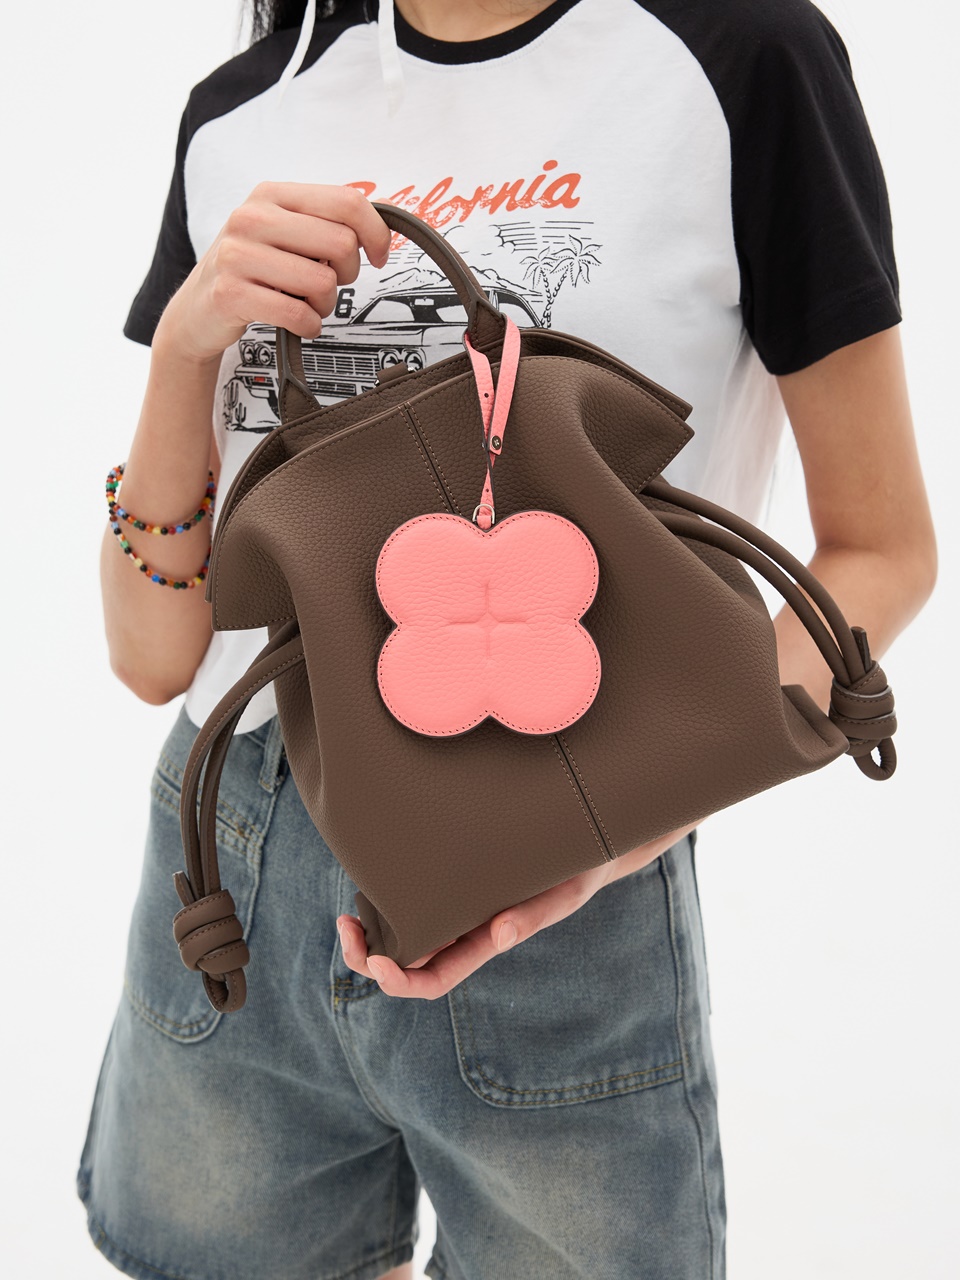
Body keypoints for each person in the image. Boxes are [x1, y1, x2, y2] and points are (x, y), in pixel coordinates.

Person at [76, 2, 937, 1278]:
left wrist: (607, 832)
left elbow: (881, 548)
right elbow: (155, 655)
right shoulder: (244, 110)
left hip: (565, 863)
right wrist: (184, 349)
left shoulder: (739, 58)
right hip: (232, 865)